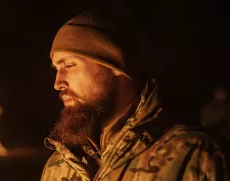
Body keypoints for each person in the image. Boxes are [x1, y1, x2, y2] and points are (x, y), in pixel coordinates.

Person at [40, 11, 228, 181]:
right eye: (57, 69)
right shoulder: (57, 168)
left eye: (69, 65)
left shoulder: (194, 157)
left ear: (115, 66)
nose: (58, 83)